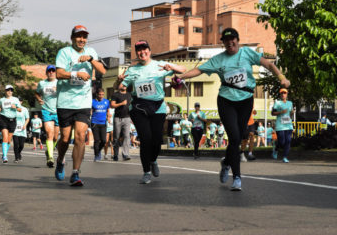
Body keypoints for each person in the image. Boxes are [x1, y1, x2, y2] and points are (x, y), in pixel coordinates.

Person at [176, 27, 290, 191]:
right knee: (235, 137)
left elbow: (269, 65)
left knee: (238, 138)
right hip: (226, 101)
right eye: (226, 41)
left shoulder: (246, 53)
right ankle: (237, 177)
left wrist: (281, 77)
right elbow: (198, 70)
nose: (230, 43)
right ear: (223, 43)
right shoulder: (218, 60)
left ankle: (226, 162)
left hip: (246, 101)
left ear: (237, 40)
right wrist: (180, 77)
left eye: (233, 40)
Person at [116, 40, 186, 184]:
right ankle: (146, 171)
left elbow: (183, 70)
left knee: (156, 141)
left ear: (149, 50)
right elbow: (120, 87)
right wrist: (119, 81)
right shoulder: (132, 70)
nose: (142, 52)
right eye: (139, 50)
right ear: (137, 53)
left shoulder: (160, 65)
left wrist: (171, 66)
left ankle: (153, 160)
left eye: (144, 49)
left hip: (158, 107)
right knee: (146, 138)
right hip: (139, 107)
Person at [54, 25, 106, 186]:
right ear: (72, 38)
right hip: (65, 101)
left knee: (80, 137)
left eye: (84, 36)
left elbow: (102, 71)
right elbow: (59, 73)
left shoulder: (91, 52)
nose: (82, 39)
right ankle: (61, 159)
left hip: (83, 102)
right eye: (78, 36)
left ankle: (75, 173)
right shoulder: (64, 52)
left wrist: (91, 59)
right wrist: (76, 74)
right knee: (65, 138)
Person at [35, 64, 60, 168]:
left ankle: (48, 151)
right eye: (49, 71)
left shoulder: (60, 82)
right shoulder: (42, 83)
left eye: (53, 71)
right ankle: (50, 157)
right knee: (49, 134)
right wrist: (39, 99)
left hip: (58, 111)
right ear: (46, 73)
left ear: (55, 72)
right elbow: (36, 93)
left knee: (55, 137)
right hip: (47, 111)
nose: (51, 72)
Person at [0, 85, 22, 163]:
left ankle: (4, 153)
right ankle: (5, 156)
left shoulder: (15, 99)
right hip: (3, 118)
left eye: (11, 90)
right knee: (5, 136)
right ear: (5, 91)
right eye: (8, 90)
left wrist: (15, 107)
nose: (9, 91)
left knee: (8, 139)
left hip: (12, 120)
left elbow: (20, 109)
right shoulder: (2, 100)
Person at [272, 88, 294, 163]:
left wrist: (292, 113)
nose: (283, 94)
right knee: (282, 142)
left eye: (284, 93)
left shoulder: (290, 103)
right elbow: (272, 113)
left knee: (288, 141)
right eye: (282, 93)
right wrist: (281, 112)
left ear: (287, 94)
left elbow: (290, 114)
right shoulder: (277, 103)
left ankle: (285, 157)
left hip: (288, 125)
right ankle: (276, 149)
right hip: (280, 125)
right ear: (280, 95)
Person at [110, 83, 131, 161]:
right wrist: (121, 104)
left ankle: (125, 154)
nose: (124, 85)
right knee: (116, 137)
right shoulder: (116, 94)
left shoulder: (129, 95)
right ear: (119, 86)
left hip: (127, 118)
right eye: (123, 84)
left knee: (127, 136)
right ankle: (115, 154)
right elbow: (112, 105)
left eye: (126, 84)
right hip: (117, 118)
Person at [91, 88, 110, 162]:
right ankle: (96, 156)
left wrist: (108, 118)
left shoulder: (107, 102)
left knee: (104, 141)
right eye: (99, 94)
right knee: (97, 140)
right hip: (94, 123)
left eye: (102, 94)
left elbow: (108, 111)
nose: (101, 96)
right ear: (97, 94)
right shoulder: (93, 102)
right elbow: (90, 111)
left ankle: (98, 151)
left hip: (103, 123)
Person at [12, 98, 30, 163]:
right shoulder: (13, 109)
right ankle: (16, 157)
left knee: (21, 145)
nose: (19, 102)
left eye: (20, 101)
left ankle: (19, 153)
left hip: (22, 128)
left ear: (22, 102)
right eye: (18, 101)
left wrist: (25, 125)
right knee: (16, 144)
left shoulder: (25, 109)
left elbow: (27, 118)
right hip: (14, 129)